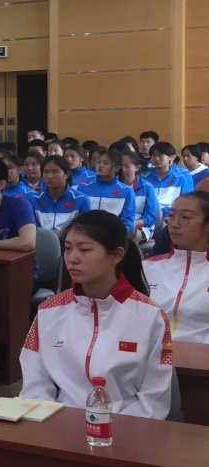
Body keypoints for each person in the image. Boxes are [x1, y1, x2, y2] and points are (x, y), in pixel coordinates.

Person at [20, 211, 171, 419]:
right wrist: (53, 424)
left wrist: (109, 428)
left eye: (84, 250)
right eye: (68, 248)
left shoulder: (150, 316)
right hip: (57, 425)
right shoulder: (49, 310)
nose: (72, 258)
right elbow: (34, 383)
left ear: (116, 255)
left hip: (124, 429)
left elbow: (154, 398)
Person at [143, 191, 209, 342]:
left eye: (185, 217)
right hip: (151, 353)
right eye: (171, 216)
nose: (174, 224)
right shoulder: (147, 268)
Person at [78, 148, 136, 232]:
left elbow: (127, 219)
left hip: (113, 232)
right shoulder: (83, 188)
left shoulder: (126, 191)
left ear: (117, 168)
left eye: (105, 163)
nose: (100, 165)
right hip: (86, 232)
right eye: (99, 162)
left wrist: (118, 235)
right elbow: (79, 216)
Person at [32, 154, 90, 232]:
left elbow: (84, 231)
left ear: (66, 174)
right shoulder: (33, 199)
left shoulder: (81, 199)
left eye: (55, 172)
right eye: (46, 172)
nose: (50, 176)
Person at [120, 151, 162, 242]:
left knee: (127, 236)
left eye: (127, 166)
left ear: (136, 167)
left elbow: (150, 216)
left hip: (141, 226)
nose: (123, 169)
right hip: (118, 224)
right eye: (121, 166)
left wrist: (133, 224)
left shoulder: (147, 187)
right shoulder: (116, 186)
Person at [143, 141, 194, 215]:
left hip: (172, 214)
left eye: (160, 155)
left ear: (170, 157)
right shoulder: (143, 178)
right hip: (149, 215)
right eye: (154, 155)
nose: (157, 158)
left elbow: (187, 201)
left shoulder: (180, 178)